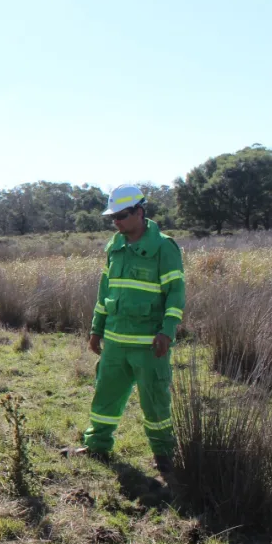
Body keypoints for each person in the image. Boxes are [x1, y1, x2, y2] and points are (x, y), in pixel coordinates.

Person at [65, 185, 185, 473]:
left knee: (155, 402)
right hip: (115, 343)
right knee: (105, 396)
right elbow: (105, 291)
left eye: (121, 215)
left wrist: (167, 331)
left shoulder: (164, 248)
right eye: (113, 217)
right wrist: (97, 329)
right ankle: (97, 445)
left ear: (139, 212)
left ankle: (165, 455)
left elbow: (176, 293)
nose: (116, 221)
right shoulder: (114, 246)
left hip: (148, 345)